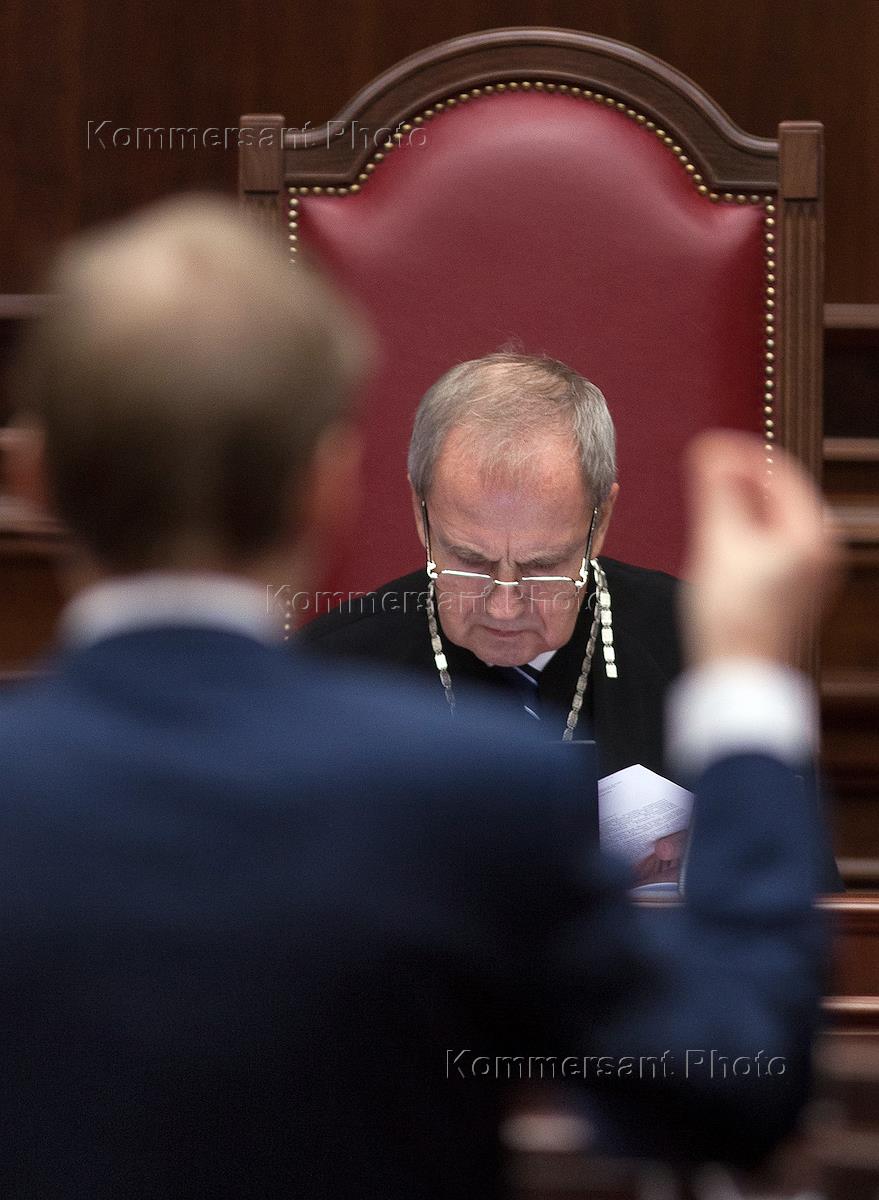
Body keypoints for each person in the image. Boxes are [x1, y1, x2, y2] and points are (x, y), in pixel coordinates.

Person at [0, 195, 837, 1200]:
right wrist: (749, 683)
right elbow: (733, 1084)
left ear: (32, 481)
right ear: (332, 488)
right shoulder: (477, 790)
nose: (506, 601)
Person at [301, 353, 679, 784]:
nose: (503, 607)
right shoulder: (326, 673)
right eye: (471, 560)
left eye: (541, 565)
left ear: (602, 520)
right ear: (421, 513)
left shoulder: (701, 652)